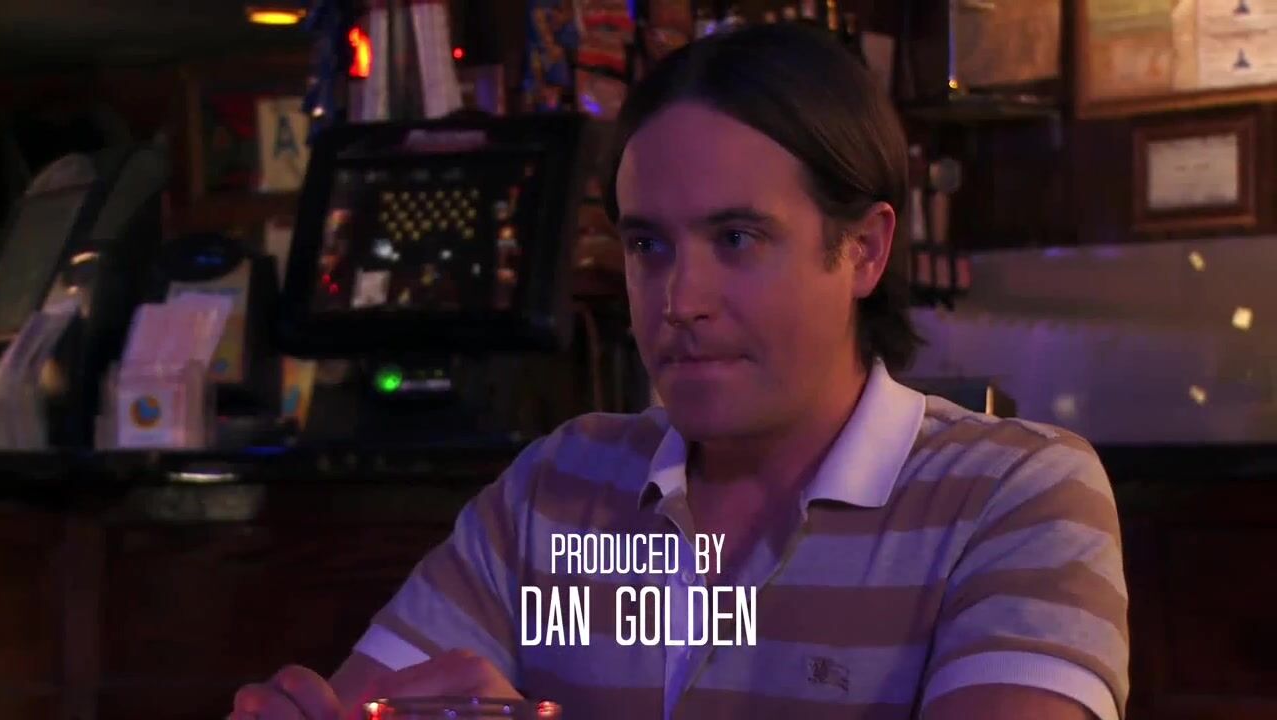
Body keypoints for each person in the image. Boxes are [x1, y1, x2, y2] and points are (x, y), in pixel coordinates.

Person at [231, 22, 1128, 720]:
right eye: (647, 245)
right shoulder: (558, 487)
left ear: (863, 249)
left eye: (736, 238)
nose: (679, 299)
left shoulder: (1018, 496)